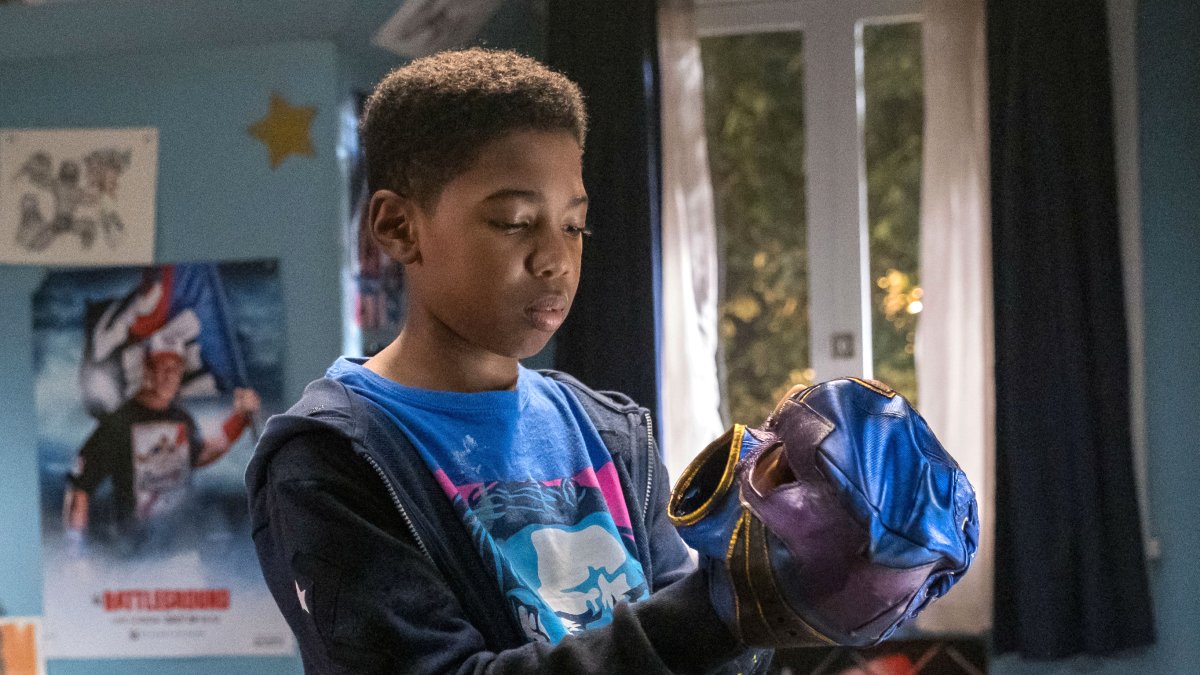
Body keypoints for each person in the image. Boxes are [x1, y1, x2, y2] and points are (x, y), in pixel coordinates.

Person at [245, 48, 771, 674]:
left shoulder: (609, 433)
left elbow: (711, 660)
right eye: (514, 221)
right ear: (397, 227)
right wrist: (723, 611)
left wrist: (780, 580)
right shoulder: (331, 459)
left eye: (574, 226)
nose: (555, 258)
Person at [64, 334, 261, 553]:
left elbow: (200, 455)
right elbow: (80, 487)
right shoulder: (119, 423)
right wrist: (75, 552)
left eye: (175, 368)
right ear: (147, 370)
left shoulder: (181, 419)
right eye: (162, 367)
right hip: (132, 554)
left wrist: (240, 418)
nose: (169, 376)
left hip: (179, 548)